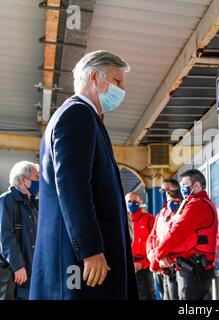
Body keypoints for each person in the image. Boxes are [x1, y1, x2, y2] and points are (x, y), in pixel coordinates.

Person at [30, 50, 138, 300]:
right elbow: (73, 187)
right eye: (117, 81)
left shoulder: (87, 117)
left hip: (84, 259)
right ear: (93, 77)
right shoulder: (77, 115)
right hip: (80, 262)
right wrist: (89, 249)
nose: (122, 90)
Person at [155, 169, 218, 300]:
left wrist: (159, 255)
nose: (182, 188)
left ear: (196, 185)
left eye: (185, 185)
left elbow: (177, 233)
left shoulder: (197, 205)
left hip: (193, 268)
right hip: (192, 267)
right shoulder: (194, 203)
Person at [0, 161, 39, 300]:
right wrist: (17, 266)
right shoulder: (7, 200)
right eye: (36, 178)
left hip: (32, 273)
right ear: (23, 179)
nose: (39, 182)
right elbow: (5, 236)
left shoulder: (33, 204)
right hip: (18, 274)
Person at [147, 187, 183, 300]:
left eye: (175, 201)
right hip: (161, 264)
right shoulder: (161, 215)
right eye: (169, 201)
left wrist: (157, 259)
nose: (172, 204)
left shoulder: (183, 215)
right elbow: (152, 236)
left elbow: (172, 239)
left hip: (174, 264)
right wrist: (151, 254)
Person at [126, 192, 155, 300]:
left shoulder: (148, 219)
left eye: (135, 202)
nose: (132, 204)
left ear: (140, 203)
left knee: (148, 295)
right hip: (128, 265)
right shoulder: (122, 221)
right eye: (129, 201)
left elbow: (155, 243)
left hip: (144, 266)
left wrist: (142, 264)